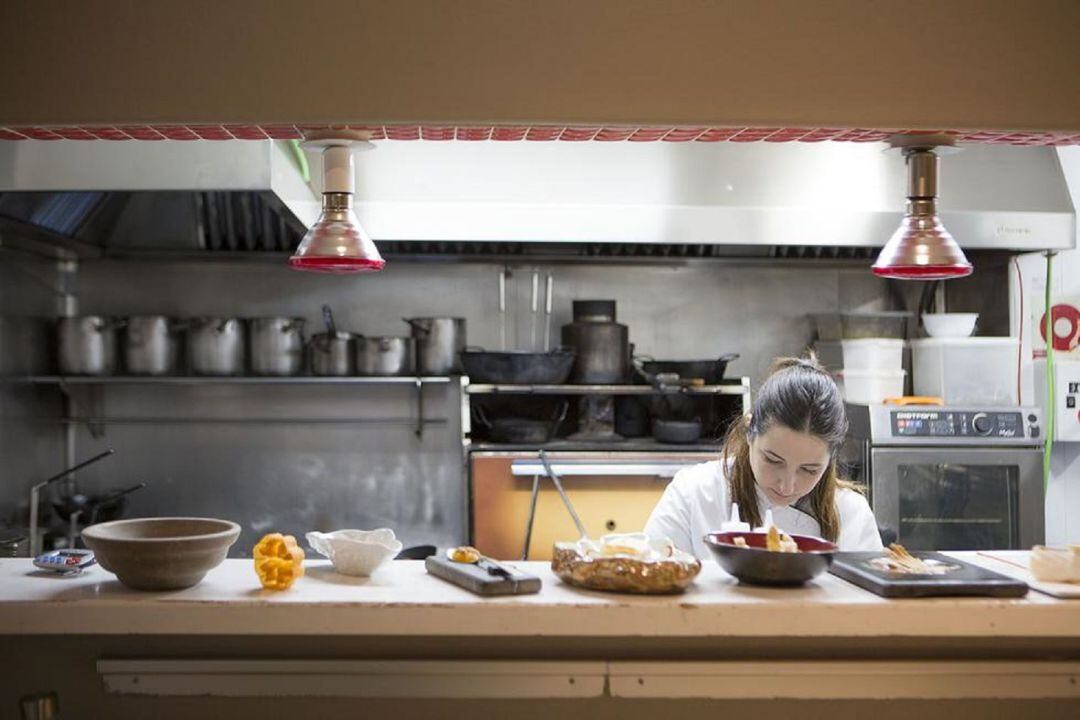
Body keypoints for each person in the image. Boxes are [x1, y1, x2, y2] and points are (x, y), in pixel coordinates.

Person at [644, 355, 883, 558]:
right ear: (750, 431)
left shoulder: (852, 514)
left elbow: (875, 610)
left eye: (809, 470)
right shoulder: (693, 494)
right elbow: (651, 583)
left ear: (831, 458)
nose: (787, 485)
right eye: (773, 460)